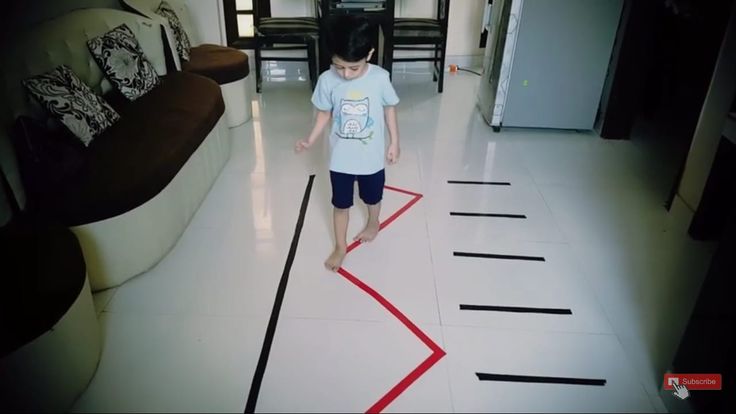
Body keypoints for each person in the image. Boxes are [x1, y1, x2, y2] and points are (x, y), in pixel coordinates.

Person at [295, 14, 400, 272]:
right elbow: (324, 113)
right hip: (340, 159)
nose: (345, 73)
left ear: (370, 54)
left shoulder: (380, 78)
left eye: (353, 68)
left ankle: (374, 222)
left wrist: (395, 141)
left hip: (371, 158)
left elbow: (389, 109)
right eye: (339, 66)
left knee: (372, 197)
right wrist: (310, 139)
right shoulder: (327, 80)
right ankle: (340, 247)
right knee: (340, 204)